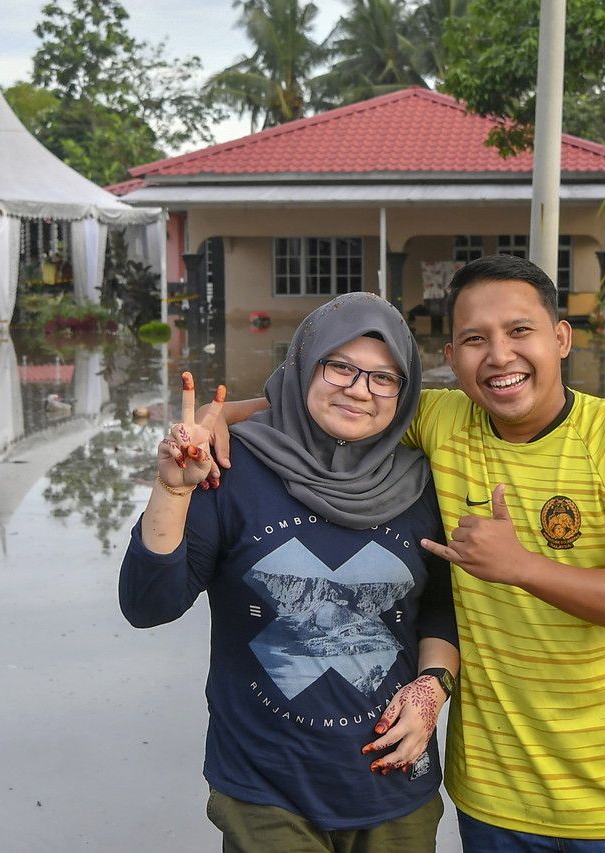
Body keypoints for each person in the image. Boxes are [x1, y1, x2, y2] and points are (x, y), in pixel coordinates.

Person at [210, 255, 605, 850]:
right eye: (475, 339)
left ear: (562, 337)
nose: (499, 356)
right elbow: (336, 402)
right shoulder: (443, 422)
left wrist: (521, 568)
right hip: (493, 801)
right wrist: (220, 417)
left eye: (520, 331)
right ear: (450, 357)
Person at [120, 292, 460, 852]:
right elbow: (147, 606)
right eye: (341, 367)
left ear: (404, 394)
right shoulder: (231, 465)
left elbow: (441, 609)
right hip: (266, 790)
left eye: (383, 378)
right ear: (304, 363)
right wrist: (172, 491)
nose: (359, 389)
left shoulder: (423, 484)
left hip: (395, 789)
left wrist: (432, 688)